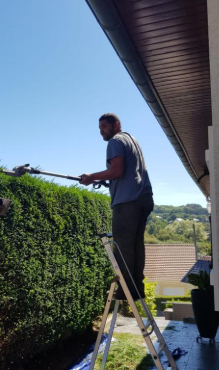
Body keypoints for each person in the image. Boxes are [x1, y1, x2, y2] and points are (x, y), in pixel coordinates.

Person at [80, 113, 154, 300]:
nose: (101, 131)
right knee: (136, 244)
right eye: (100, 128)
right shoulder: (131, 140)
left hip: (127, 201)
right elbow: (124, 173)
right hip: (143, 198)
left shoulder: (115, 141)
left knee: (123, 246)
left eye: (104, 127)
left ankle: (126, 289)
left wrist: (91, 177)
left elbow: (116, 170)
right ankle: (137, 287)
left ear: (116, 125)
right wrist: (109, 182)